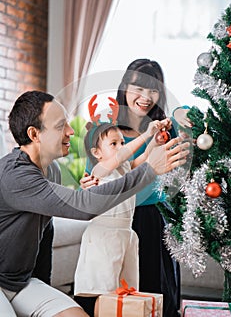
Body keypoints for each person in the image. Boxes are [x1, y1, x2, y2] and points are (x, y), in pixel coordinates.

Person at [0, 90, 189, 317]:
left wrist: (45, 290)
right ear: (34, 134)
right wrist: (149, 170)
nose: (71, 131)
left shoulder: (51, 170)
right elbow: (85, 206)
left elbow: (45, 232)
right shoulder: (16, 176)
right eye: (61, 126)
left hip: (20, 283)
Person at [80, 59, 187, 317]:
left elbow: (188, 118)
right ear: (124, 87)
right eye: (138, 88)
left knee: (152, 299)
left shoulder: (165, 129)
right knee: (110, 298)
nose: (146, 97)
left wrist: (180, 118)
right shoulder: (105, 131)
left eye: (153, 90)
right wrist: (88, 184)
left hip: (152, 222)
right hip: (114, 223)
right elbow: (93, 178)